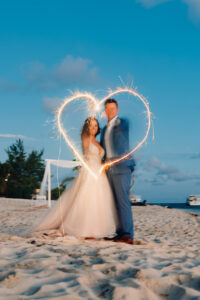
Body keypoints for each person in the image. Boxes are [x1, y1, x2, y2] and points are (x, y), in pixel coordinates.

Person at [34, 117, 118, 239]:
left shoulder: (97, 141)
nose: (93, 128)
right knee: (88, 200)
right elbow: (85, 154)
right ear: (87, 128)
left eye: (95, 126)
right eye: (91, 126)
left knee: (99, 202)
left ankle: (95, 228)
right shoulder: (86, 139)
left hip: (100, 174)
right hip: (89, 172)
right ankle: (85, 229)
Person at [100, 99, 135, 245]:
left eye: (113, 109)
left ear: (117, 110)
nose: (110, 111)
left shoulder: (123, 123)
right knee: (114, 202)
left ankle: (127, 235)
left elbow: (123, 126)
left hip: (122, 166)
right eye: (107, 109)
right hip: (109, 168)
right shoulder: (103, 129)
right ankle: (119, 233)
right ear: (104, 111)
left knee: (123, 200)